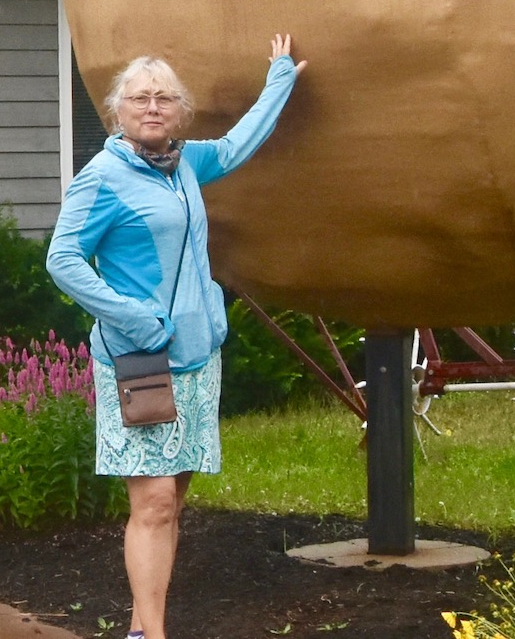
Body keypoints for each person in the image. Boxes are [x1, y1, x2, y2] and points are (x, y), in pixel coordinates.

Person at [47, 35, 305, 639]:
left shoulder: (187, 163)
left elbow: (241, 144)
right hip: (139, 359)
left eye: (164, 98)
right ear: (118, 111)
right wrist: (133, 318)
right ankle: (151, 636)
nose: (153, 107)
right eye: (140, 98)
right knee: (155, 500)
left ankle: (142, 625)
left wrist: (281, 76)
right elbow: (63, 259)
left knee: (174, 496)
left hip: (195, 355)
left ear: (180, 111)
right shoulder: (103, 178)